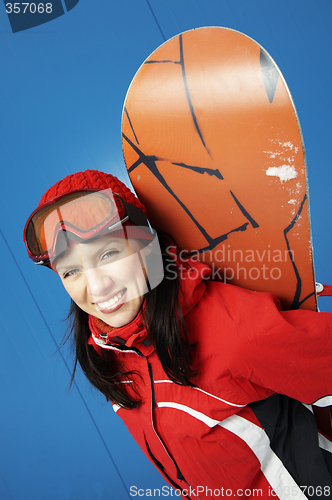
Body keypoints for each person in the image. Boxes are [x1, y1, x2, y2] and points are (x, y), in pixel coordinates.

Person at [24, 169, 332, 499]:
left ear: (146, 245)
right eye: (72, 271)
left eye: (109, 254)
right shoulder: (106, 351)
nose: (97, 287)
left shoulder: (232, 330)